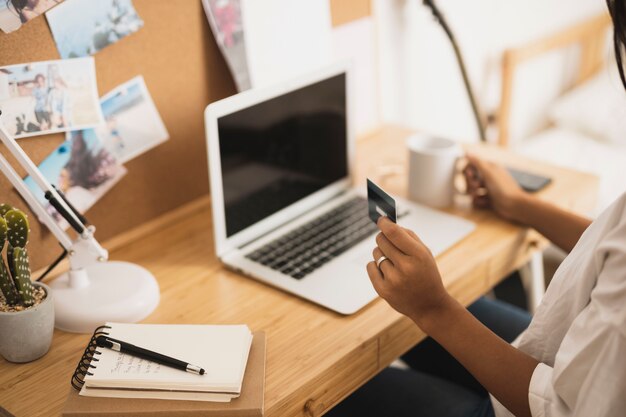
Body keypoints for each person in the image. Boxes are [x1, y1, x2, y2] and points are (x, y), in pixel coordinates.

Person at [327, 1, 626, 416]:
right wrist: (522, 206)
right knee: (447, 312)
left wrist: (434, 309)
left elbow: (564, 409)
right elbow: (615, 245)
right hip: (570, 352)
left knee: (345, 390)